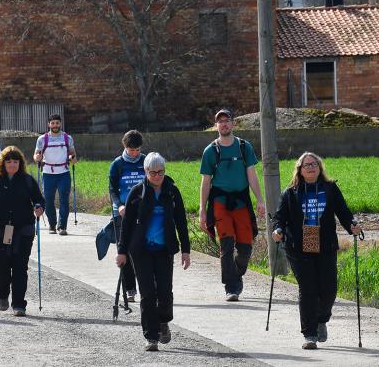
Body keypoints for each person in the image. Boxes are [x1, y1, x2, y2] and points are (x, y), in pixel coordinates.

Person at [273, 153, 361, 350]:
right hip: (298, 245)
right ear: (300, 170)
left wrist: (352, 225)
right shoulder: (291, 192)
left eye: (314, 164)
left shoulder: (329, 189)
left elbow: (344, 212)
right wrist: (278, 230)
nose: (311, 167)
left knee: (329, 288)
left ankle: (322, 319)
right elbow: (280, 217)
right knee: (308, 288)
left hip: (324, 242)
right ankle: (309, 334)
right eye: (306, 165)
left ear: (320, 168)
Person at [116, 153, 191, 352]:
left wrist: (186, 250)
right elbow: (127, 225)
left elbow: (181, 222)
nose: (157, 176)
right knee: (148, 293)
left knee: (165, 292)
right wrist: (122, 251)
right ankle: (151, 336)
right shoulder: (137, 192)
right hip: (141, 250)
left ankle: (163, 321)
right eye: (153, 173)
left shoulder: (172, 191)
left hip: (164, 249)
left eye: (161, 172)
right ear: (146, 172)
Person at [198, 108, 265, 302]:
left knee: (245, 247)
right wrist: (202, 209)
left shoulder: (244, 147)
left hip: (241, 201)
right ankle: (231, 288)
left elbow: (252, 175)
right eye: (220, 121)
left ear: (233, 123)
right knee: (226, 245)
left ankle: (236, 273)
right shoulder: (211, 151)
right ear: (216, 125)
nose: (224, 124)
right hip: (220, 202)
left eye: (227, 120)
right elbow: (206, 181)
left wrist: (260, 199)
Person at [0, 146, 45, 317]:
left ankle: (19, 304)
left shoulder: (27, 180)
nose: (12, 164)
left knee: (20, 267)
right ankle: (3, 295)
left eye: (15, 161)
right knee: (1, 265)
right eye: (9, 161)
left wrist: (39, 207)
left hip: (23, 229)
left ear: (20, 163)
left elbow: (39, 199)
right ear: (3, 163)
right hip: (2, 229)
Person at [109, 129, 147, 302]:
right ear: (125, 147)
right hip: (122, 212)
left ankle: (147, 287)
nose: (135, 153)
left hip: (143, 213)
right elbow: (112, 190)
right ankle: (130, 289)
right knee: (124, 251)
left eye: (138, 150)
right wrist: (120, 205)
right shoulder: (117, 164)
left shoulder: (146, 161)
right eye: (132, 150)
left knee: (143, 251)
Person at [32, 114, 77, 235]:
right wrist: (37, 158)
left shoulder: (67, 138)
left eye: (57, 123)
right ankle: (52, 224)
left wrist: (73, 158)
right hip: (48, 173)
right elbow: (36, 155)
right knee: (48, 200)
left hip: (64, 173)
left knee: (64, 200)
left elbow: (73, 154)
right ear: (49, 124)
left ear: (60, 124)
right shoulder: (42, 139)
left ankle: (62, 226)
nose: (55, 125)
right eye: (52, 123)